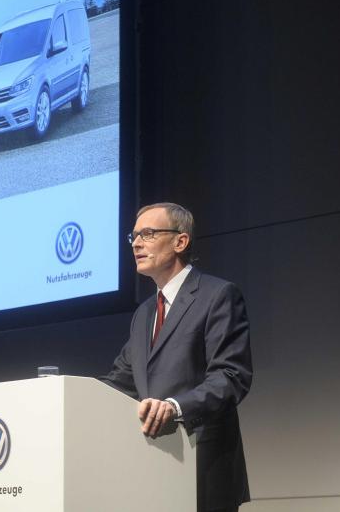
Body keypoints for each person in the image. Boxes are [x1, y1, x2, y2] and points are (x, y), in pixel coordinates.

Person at [102, 202, 252, 512]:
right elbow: (119, 382)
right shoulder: (144, 314)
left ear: (180, 241)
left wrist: (175, 407)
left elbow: (231, 377)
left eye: (148, 233)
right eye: (133, 237)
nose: (137, 244)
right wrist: (63, 394)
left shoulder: (217, 295)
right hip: (154, 471)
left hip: (204, 468)